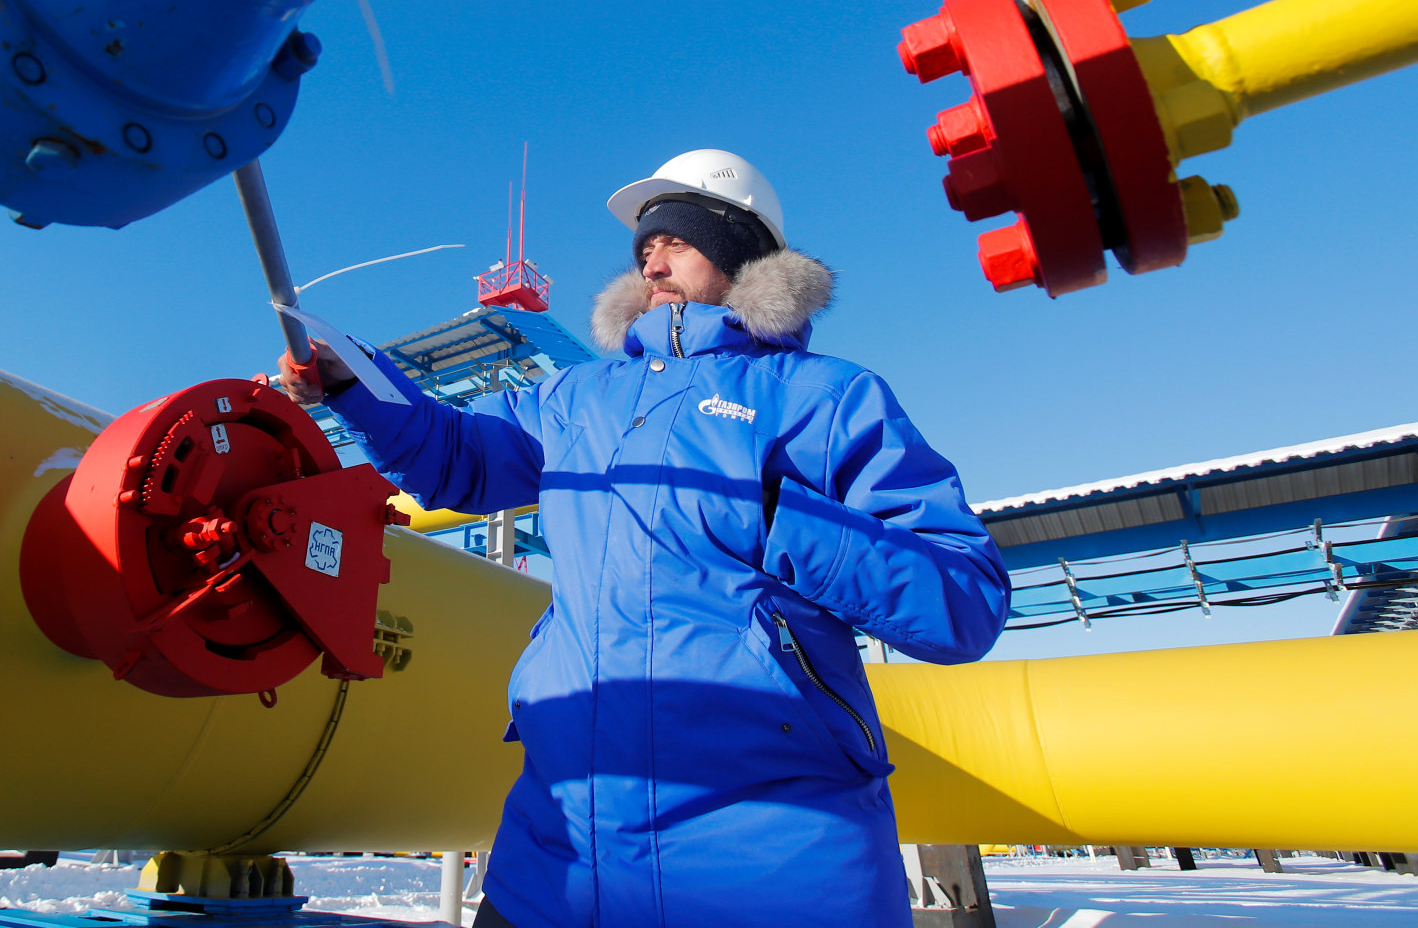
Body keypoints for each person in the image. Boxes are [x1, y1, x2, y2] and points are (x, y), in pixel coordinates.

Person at [279, 149, 1010, 928]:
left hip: (776, 871)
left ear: (739, 253)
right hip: (557, 865)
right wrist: (357, 384)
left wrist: (772, 514)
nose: (651, 256)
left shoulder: (827, 397)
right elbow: (457, 457)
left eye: (677, 239)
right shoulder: (576, 398)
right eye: (643, 246)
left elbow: (962, 601)